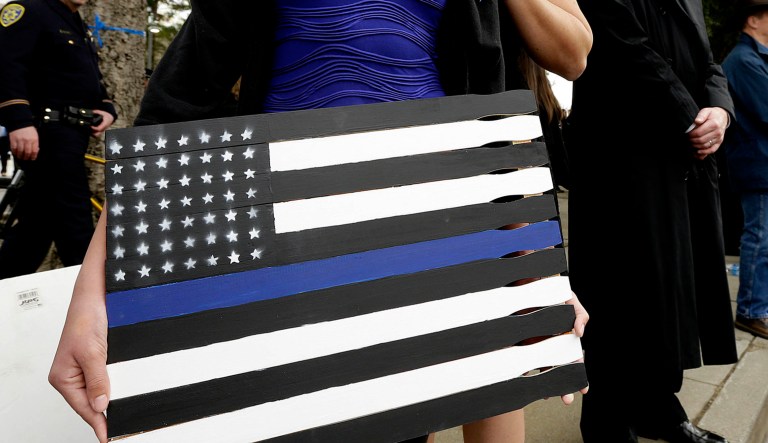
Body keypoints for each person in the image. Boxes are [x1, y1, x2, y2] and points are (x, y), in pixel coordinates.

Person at [48, 2, 592, 443]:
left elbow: (487, 116)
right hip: (295, 240)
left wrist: (531, 259)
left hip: (428, 232)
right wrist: (92, 289)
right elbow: (177, 106)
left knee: (407, 420)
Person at [564, 0, 739, 442]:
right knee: (616, 292)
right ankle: (607, 423)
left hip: (680, 161)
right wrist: (691, 118)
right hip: (620, 163)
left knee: (670, 293)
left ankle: (658, 407)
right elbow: (625, 48)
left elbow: (708, 63)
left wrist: (719, 111)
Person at [0, 0, 117, 278]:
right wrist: (19, 121)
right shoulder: (30, 10)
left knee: (36, 228)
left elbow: (87, 76)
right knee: (74, 222)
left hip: (73, 134)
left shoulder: (74, 21)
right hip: (47, 134)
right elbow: (6, 66)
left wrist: (106, 107)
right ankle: (96, 294)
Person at [722, 0, 768, 340]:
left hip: (760, 163)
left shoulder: (754, 59)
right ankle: (751, 310)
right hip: (758, 165)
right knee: (760, 238)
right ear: (752, 20)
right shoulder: (744, 60)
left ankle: (758, 306)